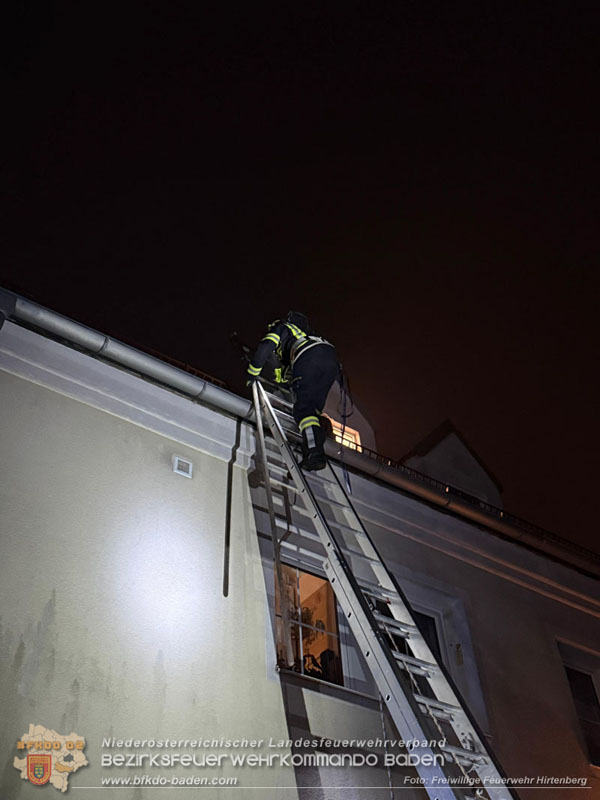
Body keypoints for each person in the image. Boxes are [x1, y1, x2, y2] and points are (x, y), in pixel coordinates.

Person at [246, 312, 340, 471]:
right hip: (331, 361)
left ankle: (314, 453)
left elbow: (266, 346)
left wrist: (252, 373)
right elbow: (287, 375)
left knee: (304, 411)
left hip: (309, 356)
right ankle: (313, 451)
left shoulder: (282, 327)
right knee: (313, 412)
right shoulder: (304, 336)